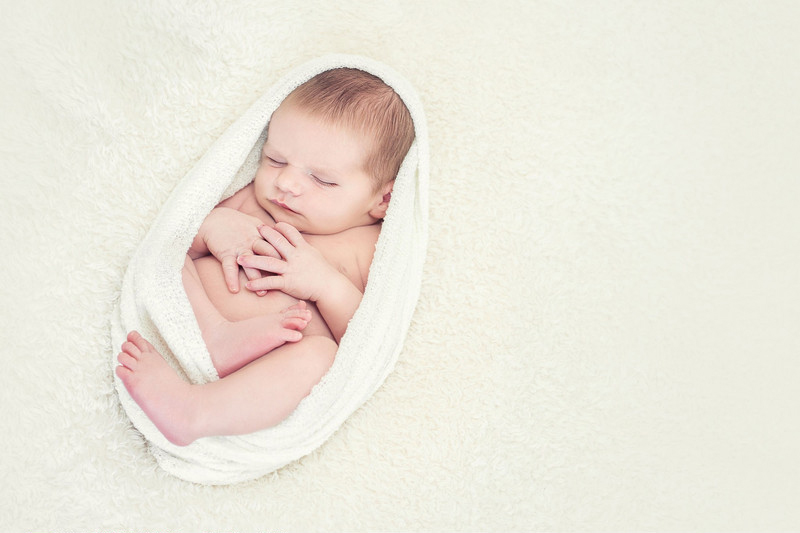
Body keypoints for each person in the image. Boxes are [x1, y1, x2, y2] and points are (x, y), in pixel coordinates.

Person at [115, 68, 415, 446]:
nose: (286, 183)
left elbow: (368, 341)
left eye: (321, 179)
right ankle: (217, 334)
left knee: (320, 355)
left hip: (270, 366)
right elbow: (172, 245)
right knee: (166, 254)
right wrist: (212, 226)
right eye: (275, 160)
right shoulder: (252, 201)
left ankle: (196, 411)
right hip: (194, 321)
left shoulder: (367, 247)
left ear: (383, 199)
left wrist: (327, 285)